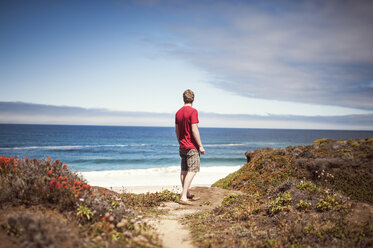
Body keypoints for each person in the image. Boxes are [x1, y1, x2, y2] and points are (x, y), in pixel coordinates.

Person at [175, 89, 205, 205]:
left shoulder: (178, 113)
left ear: (183, 99)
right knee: (193, 170)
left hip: (182, 146)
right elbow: (194, 129)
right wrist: (200, 146)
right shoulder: (193, 111)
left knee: (184, 170)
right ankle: (183, 196)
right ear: (193, 99)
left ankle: (186, 194)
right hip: (191, 146)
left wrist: (180, 142)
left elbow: (177, 130)